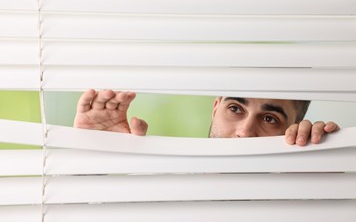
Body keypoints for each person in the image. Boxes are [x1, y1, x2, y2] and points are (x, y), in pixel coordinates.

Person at [74, 89, 339, 145]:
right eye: (235, 108)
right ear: (215, 108)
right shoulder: (154, 188)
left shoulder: (303, 208)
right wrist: (90, 160)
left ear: (292, 128)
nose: (245, 132)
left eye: (269, 118)